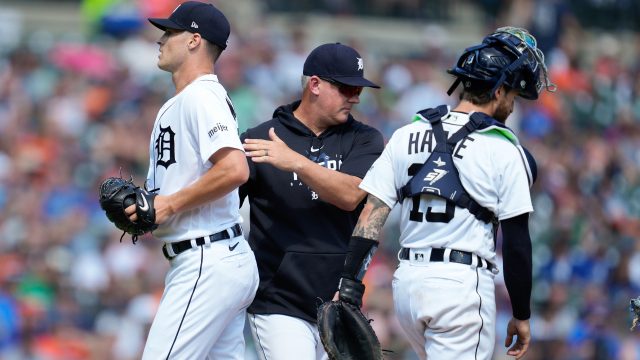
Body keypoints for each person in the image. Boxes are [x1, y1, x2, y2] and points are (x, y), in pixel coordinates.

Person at [334, 27, 556, 360]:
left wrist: (350, 283)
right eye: (511, 94)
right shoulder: (505, 150)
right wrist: (522, 314)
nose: (511, 105)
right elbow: (517, 244)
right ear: (498, 91)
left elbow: (372, 214)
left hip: (407, 287)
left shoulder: (407, 133)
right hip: (459, 289)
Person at [126, 2, 259, 358]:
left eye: (170, 31)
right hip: (215, 256)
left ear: (194, 41)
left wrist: (169, 204)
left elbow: (235, 169)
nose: (161, 38)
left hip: (206, 259)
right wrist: (150, 207)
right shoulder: (188, 99)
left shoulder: (201, 96)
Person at [239, 43, 385, 359]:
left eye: (358, 89)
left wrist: (296, 162)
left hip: (338, 303)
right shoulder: (260, 139)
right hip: (277, 301)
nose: (356, 97)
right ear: (315, 84)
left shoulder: (365, 139)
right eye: (347, 88)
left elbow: (350, 195)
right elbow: (222, 207)